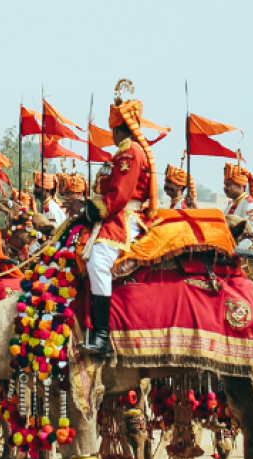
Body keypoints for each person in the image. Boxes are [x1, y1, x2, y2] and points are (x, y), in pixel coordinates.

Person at [77, 85, 157, 356]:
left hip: (124, 216)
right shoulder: (125, 150)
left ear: (119, 128)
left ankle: (102, 335)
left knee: (98, 259)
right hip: (115, 213)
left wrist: (92, 211)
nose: (110, 133)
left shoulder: (130, 152)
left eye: (112, 127)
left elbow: (120, 195)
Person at [222, 162, 253, 236]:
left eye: (228, 185)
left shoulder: (250, 204)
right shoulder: (230, 205)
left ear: (239, 186)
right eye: (225, 185)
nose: (225, 188)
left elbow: (250, 232)